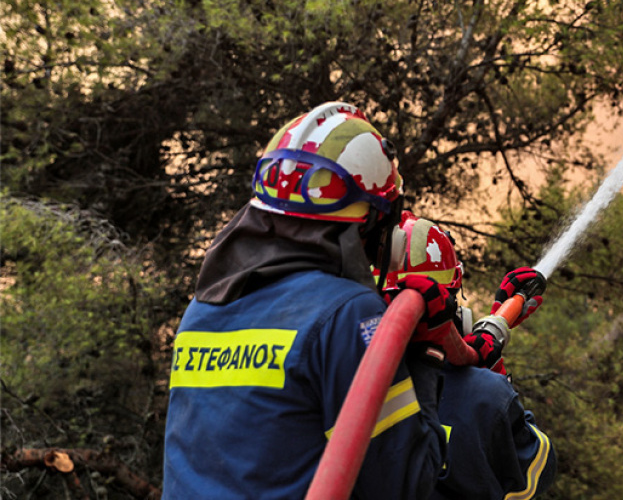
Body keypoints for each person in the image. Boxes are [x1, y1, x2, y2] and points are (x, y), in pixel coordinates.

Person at [162, 101, 454, 499]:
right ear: (369, 221)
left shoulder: (202, 310)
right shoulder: (348, 314)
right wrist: (426, 356)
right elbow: (402, 482)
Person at [383, 214, 557, 500]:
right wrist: (491, 371)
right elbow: (537, 471)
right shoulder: (484, 395)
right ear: (452, 303)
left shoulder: (341, 371)